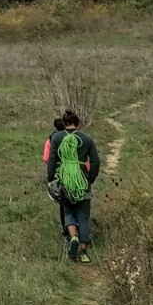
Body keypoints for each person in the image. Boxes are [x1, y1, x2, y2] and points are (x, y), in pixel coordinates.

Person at [43, 109, 101, 262]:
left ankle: (73, 237)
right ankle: (83, 251)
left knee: (68, 211)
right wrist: (90, 178)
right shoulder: (87, 139)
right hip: (82, 179)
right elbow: (96, 161)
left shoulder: (56, 138)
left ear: (64, 123)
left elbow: (51, 160)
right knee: (83, 214)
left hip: (64, 179)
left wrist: (51, 180)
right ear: (78, 123)